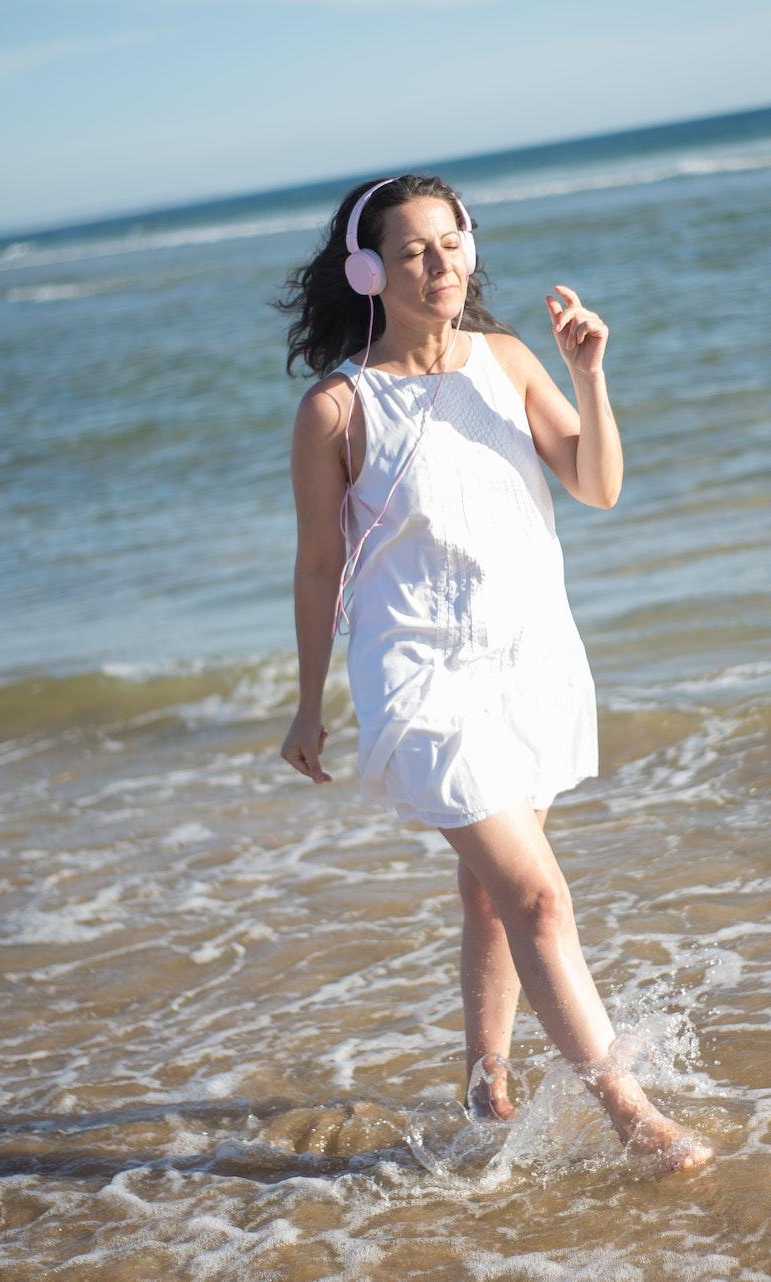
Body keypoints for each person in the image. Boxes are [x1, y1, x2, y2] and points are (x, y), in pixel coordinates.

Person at [273, 173, 713, 1175]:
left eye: (454, 241)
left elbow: (596, 486)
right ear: (367, 268)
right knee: (541, 900)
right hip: (420, 681)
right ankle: (634, 1116)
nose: (444, 263)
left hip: (529, 662)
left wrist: (589, 375)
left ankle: (487, 1090)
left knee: (491, 898)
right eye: (416, 248)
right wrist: (308, 703)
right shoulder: (338, 408)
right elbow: (315, 566)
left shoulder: (508, 360)